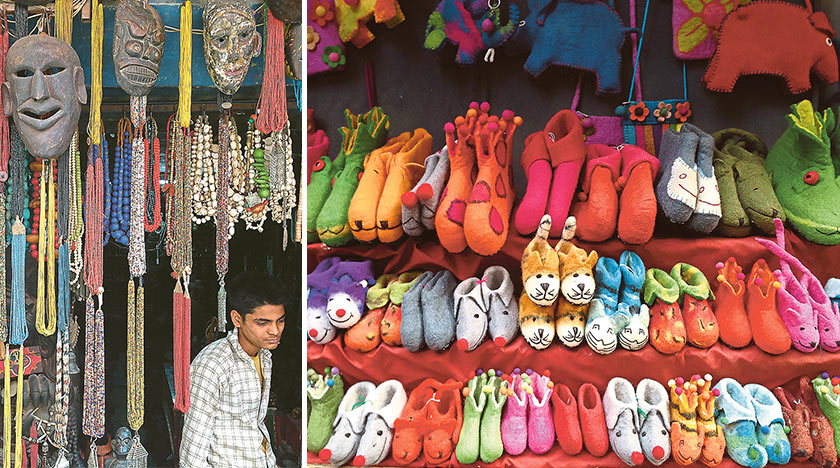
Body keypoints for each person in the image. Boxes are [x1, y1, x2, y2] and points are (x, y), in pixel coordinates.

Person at [179, 271, 287, 467]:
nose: (275, 330)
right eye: (263, 322)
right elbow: (192, 452)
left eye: (280, 320)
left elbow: (253, 425)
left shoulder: (264, 356)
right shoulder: (213, 364)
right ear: (237, 319)